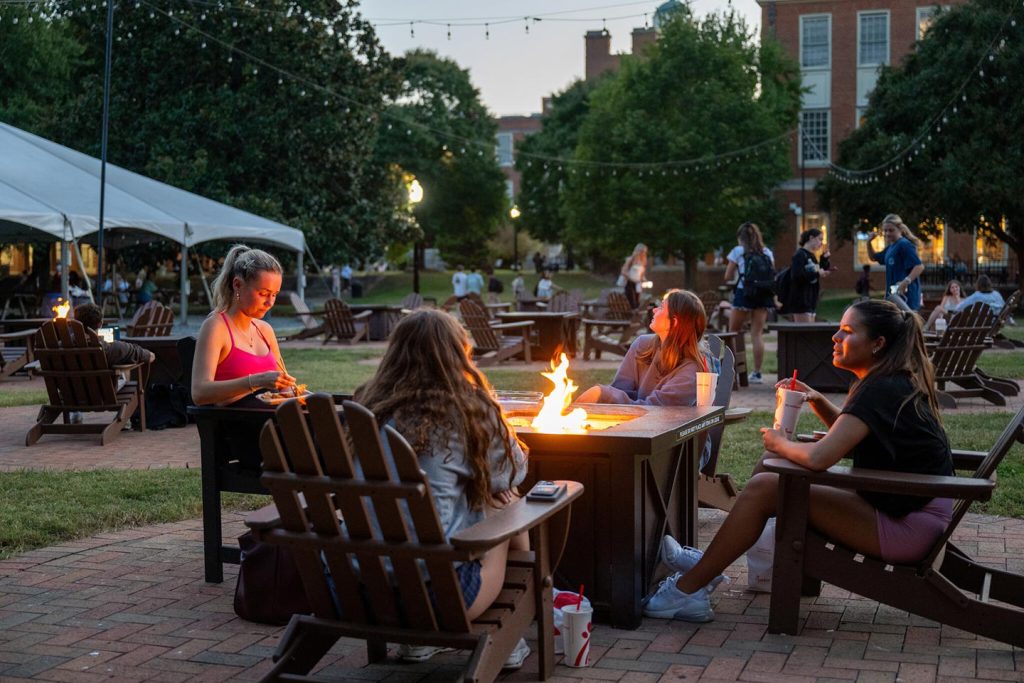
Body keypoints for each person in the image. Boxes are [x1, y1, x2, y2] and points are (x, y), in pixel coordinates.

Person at [643, 299, 953, 622]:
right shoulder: (884, 382)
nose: (835, 337)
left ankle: (687, 591)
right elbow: (858, 434)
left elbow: (819, 458)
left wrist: (780, 440)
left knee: (766, 487)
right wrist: (817, 401)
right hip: (902, 509)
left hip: (908, 527)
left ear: (878, 344)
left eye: (847, 332)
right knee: (769, 463)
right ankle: (707, 564)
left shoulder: (881, 388)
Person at [353, 309, 531, 668]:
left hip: (358, 588)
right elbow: (515, 472)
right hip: (441, 597)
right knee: (510, 505)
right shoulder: (469, 410)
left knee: (476, 497)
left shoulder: (368, 407)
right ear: (458, 354)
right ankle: (509, 637)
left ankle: (418, 643)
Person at [191, 245, 295, 406]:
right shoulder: (216, 327)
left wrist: (294, 392)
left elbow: (285, 387)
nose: (270, 302)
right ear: (237, 285)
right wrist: (256, 381)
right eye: (263, 294)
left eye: (274, 294)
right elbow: (199, 393)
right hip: (239, 421)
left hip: (272, 419)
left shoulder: (265, 330)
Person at [576, 289, 713, 407]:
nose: (654, 310)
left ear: (674, 322)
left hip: (671, 435)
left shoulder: (691, 370)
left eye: (661, 307)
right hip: (633, 429)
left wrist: (604, 393)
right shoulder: (642, 345)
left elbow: (656, 411)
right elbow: (620, 389)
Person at [725, 222, 775, 383]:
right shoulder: (766, 252)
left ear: (741, 237)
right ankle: (757, 373)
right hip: (762, 295)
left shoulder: (738, 251)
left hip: (743, 294)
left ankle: (729, 371)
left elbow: (727, 275)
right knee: (757, 333)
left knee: (732, 332)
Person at [73, 302, 155, 382]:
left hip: (72, 392)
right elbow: (148, 356)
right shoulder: (109, 348)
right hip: (104, 392)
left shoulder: (63, 346)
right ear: (100, 324)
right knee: (123, 369)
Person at [867, 214, 924, 312]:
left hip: (907, 299)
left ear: (900, 229)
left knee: (907, 326)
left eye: (891, 230)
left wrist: (905, 282)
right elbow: (873, 257)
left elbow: (919, 266)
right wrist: (868, 242)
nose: (887, 233)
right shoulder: (891, 247)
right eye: (885, 230)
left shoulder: (904, 245)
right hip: (894, 298)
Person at [785, 228, 832, 322]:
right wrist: (817, 273)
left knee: (810, 332)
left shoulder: (812, 256)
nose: (821, 243)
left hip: (811, 299)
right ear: (811, 238)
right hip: (801, 300)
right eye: (820, 239)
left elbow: (817, 270)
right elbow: (796, 276)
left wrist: (824, 259)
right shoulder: (800, 255)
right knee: (804, 333)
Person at [620, 243, 648, 310]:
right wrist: (631, 278)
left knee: (637, 302)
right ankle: (631, 317)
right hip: (629, 283)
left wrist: (644, 280)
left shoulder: (643, 261)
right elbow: (623, 271)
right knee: (632, 302)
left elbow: (641, 274)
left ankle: (635, 317)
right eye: (642, 251)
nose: (643, 253)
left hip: (638, 284)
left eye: (644, 252)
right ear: (638, 251)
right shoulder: (631, 260)